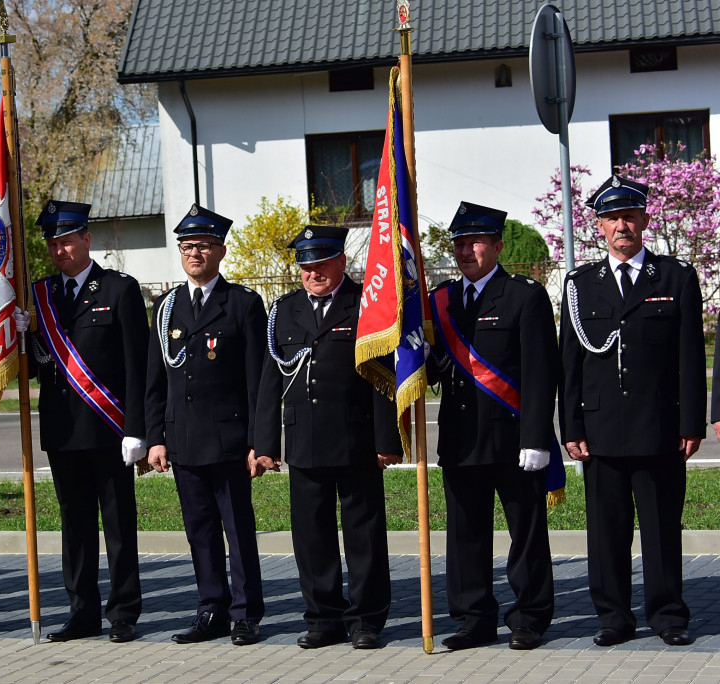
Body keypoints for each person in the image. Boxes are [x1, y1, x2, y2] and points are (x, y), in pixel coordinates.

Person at [560, 175, 705, 647]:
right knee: (607, 530)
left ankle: (668, 616)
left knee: (663, 527)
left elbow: (689, 359)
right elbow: (570, 365)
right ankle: (614, 618)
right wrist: (571, 427)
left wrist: (690, 423)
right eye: (611, 218)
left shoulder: (676, 277)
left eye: (629, 216)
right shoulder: (580, 285)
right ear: (598, 227)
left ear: (644, 219)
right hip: (600, 428)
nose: (621, 225)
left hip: (659, 427)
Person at [254, 225, 402, 650]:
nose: (313, 273)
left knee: (364, 536)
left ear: (341, 261)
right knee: (311, 536)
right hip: (304, 442)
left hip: (356, 440)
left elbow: (382, 376)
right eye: (306, 266)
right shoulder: (284, 310)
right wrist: (265, 445)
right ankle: (323, 618)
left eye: (321, 264)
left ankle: (366, 620)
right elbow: (270, 382)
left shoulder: (366, 304)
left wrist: (386, 439)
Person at [427, 203, 556, 651]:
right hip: (461, 440)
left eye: (475, 242)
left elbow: (542, 373)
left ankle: (530, 616)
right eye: (459, 243)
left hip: (512, 438)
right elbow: (432, 370)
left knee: (526, 532)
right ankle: (472, 618)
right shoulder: (441, 301)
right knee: (464, 535)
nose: (466, 250)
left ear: (497, 246)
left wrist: (537, 438)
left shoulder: (524, 295)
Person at [145, 203, 266, 646]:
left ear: (221, 251)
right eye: (187, 246)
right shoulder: (165, 307)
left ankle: (245, 613)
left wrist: (259, 442)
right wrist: (155, 437)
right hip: (183, 438)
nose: (194, 253)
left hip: (230, 439)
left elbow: (258, 382)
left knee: (238, 530)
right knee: (199, 531)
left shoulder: (243, 305)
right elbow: (154, 379)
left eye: (203, 246)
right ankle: (210, 609)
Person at [28, 200, 146, 644]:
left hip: (109, 429)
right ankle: (81, 611)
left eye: (68, 241)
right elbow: (41, 364)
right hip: (63, 430)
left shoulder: (118, 289)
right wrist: (24, 335)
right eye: (54, 243)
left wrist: (137, 427)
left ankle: (123, 611)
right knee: (74, 525)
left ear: (86, 240)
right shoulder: (40, 295)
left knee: (118, 524)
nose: (60, 250)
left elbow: (137, 364)